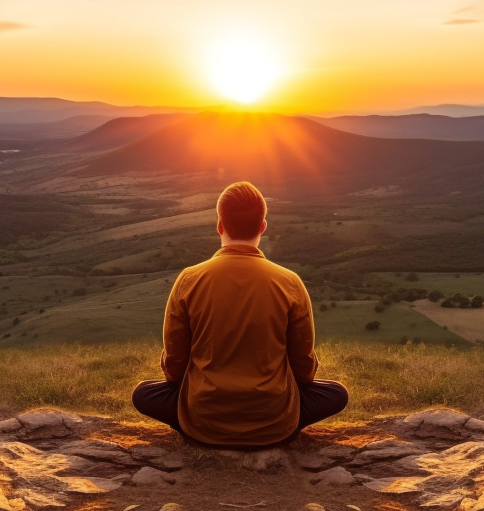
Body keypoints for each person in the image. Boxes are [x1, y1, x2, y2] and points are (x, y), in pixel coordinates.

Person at [131, 181, 349, 449]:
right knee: (337, 394)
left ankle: (205, 426)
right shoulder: (289, 282)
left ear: (220, 226)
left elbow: (174, 367)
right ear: (262, 227)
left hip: (203, 421)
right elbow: (304, 369)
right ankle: (268, 428)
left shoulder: (189, 279)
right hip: (275, 421)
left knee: (143, 394)